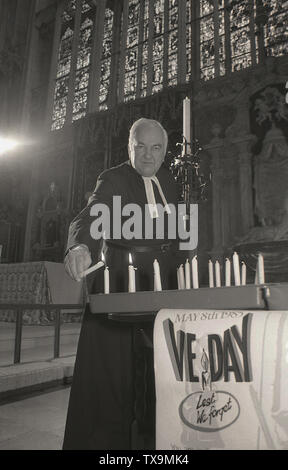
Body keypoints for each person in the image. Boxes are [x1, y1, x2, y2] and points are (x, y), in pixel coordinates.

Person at [63, 118, 186, 450]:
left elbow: (181, 237)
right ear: (129, 147)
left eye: (156, 148)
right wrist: (79, 245)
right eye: (140, 147)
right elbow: (91, 214)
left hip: (162, 290)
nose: (148, 156)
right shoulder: (114, 178)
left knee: (157, 377)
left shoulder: (170, 181)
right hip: (118, 286)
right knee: (112, 380)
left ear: (165, 151)